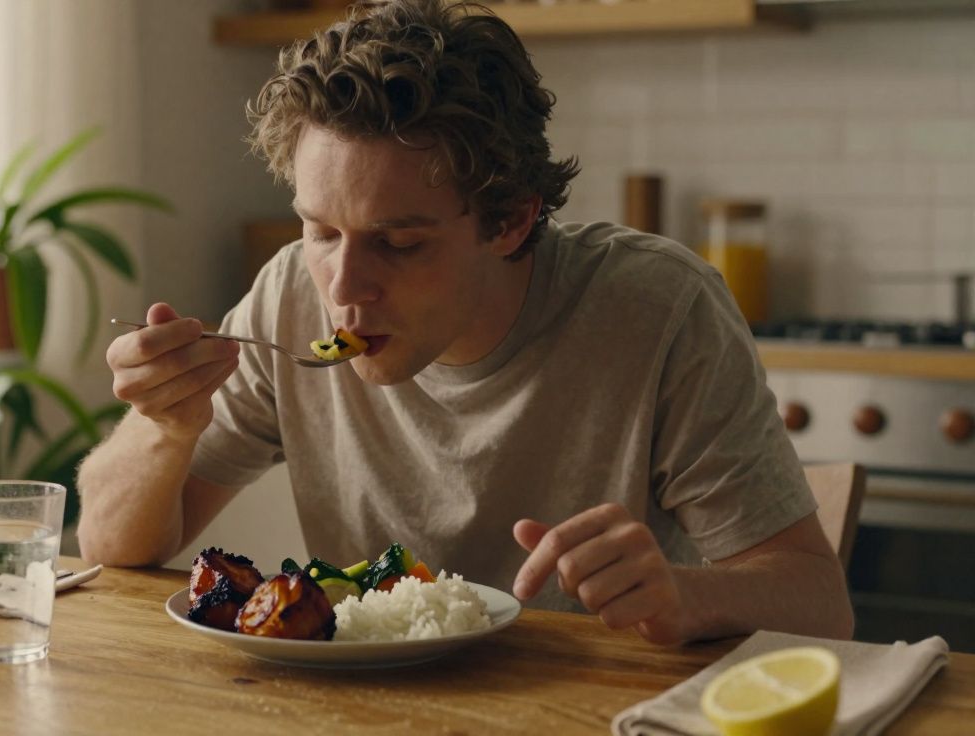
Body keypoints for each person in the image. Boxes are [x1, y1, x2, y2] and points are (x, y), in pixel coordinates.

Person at [77, 0, 853, 645]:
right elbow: (108, 546)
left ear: (511, 221)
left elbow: (821, 605)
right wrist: (163, 428)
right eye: (319, 230)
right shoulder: (288, 295)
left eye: (399, 243)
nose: (343, 287)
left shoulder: (658, 311)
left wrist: (685, 594)